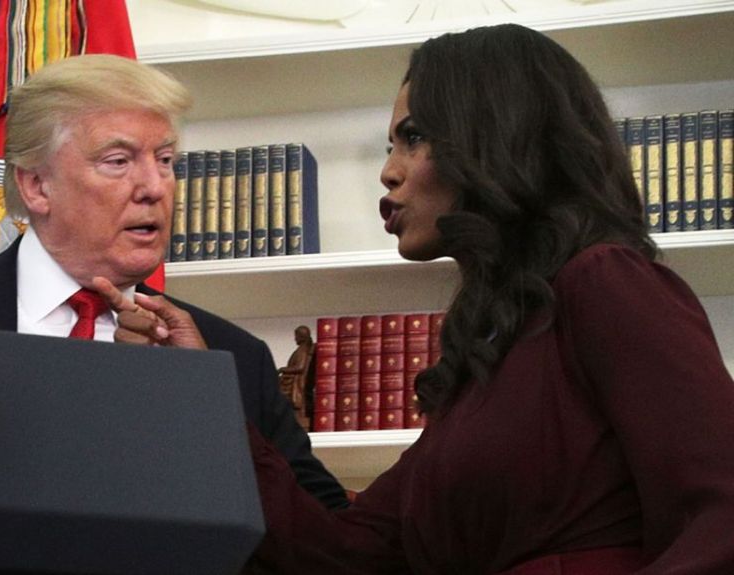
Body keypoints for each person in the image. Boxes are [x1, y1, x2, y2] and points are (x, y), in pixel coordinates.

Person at [101, 24, 734, 574]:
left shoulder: (607, 282)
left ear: (493, 138)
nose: (389, 171)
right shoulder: (486, 361)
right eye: (390, 146)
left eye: (413, 137)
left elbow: (720, 518)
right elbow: (342, 556)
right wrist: (197, 391)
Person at [0, 54, 348, 511]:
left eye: (166, 160)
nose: (155, 187)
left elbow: (325, 535)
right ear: (36, 186)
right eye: (118, 161)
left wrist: (199, 402)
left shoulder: (231, 359)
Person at [277, 325, 314, 430]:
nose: (295, 338)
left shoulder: (302, 350)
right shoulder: (301, 349)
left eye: (296, 336)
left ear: (301, 336)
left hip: (295, 384)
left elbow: (300, 367)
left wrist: (282, 369)